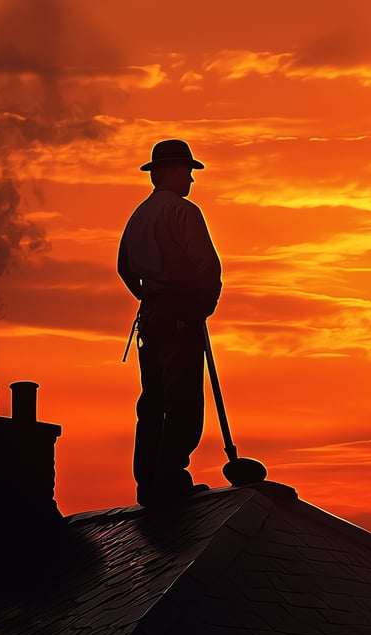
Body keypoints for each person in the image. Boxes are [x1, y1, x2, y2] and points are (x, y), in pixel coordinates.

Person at [118, 139, 221, 507]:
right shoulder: (183, 212)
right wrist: (202, 306)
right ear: (172, 172)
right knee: (182, 400)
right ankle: (170, 477)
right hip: (179, 315)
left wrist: (148, 296)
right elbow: (207, 265)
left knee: (153, 400)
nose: (191, 180)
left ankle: (148, 481)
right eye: (188, 172)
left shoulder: (138, 216)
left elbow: (124, 268)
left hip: (151, 318)